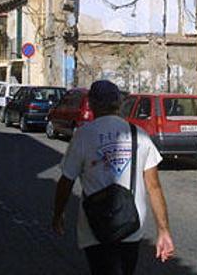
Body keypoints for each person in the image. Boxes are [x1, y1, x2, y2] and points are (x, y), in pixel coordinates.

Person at [52, 80, 175, 275]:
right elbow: (154, 188)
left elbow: (66, 181)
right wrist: (163, 231)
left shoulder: (83, 135)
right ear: (119, 103)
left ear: (91, 104)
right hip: (131, 226)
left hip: (95, 228)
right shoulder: (139, 135)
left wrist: (58, 214)